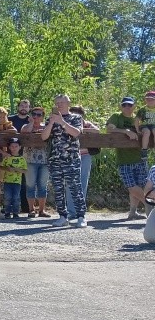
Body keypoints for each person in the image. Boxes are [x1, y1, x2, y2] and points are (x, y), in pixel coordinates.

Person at [41, 93, 86, 228]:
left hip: (71, 159)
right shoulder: (50, 119)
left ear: (68, 104)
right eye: (57, 103)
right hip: (55, 159)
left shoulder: (76, 118)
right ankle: (62, 216)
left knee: (75, 187)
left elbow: (76, 133)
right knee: (58, 189)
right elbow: (44, 137)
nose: (59, 105)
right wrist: (52, 122)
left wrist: (62, 122)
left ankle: (81, 216)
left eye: (62, 102)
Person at [106, 96, 148, 220]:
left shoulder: (138, 118)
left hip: (140, 158)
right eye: (124, 105)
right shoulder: (117, 116)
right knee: (131, 186)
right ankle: (149, 204)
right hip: (124, 159)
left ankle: (133, 212)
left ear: (134, 106)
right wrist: (126, 131)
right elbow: (109, 128)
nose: (127, 107)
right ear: (121, 106)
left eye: (130, 105)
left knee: (139, 186)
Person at [67, 105, 100, 218]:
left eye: (78, 115)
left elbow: (97, 131)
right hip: (70, 156)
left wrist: (82, 129)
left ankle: (80, 210)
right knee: (70, 184)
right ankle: (71, 211)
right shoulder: (67, 124)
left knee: (82, 183)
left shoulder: (87, 124)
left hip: (85, 156)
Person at [21, 105, 52, 218]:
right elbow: (24, 132)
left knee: (43, 186)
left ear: (43, 117)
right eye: (33, 114)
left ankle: (42, 210)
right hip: (30, 160)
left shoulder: (47, 127)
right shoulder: (26, 126)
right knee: (30, 185)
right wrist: (31, 123)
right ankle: (31, 209)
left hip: (44, 160)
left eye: (39, 115)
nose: (36, 117)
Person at [8, 99, 33, 214]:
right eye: (22, 106)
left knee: (24, 181)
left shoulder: (31, 120)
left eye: (26, 106)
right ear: (18, 107)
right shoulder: (10, 119)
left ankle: (25, 207)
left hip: (26, 154)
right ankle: (9, 207)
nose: (24, 108)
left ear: (29, 108)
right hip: (11, 154)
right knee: (9, 180)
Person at [0, 138, 27, 219]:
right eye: (12, 146)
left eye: (16, 146)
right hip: (7, 181)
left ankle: (15, 212)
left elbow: (25, 170)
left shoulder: (22, 159)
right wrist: (8, 169)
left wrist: (16, 169)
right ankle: (7, 212)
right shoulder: (7, 157)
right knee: (7, 197)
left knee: (16, 197)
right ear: (9, 147)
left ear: (20, 147)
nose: (14, 148)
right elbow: (1, 167)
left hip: (17, 182)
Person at [138, 91, 155, 156]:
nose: (150, 101)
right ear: (145, 100)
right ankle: (144, 151)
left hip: (154, 125)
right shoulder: (143, 109)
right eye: (148, 99)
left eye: (152, 99)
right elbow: (137, 120)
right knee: (147, 132)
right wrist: (137, 130)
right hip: (144, 125)